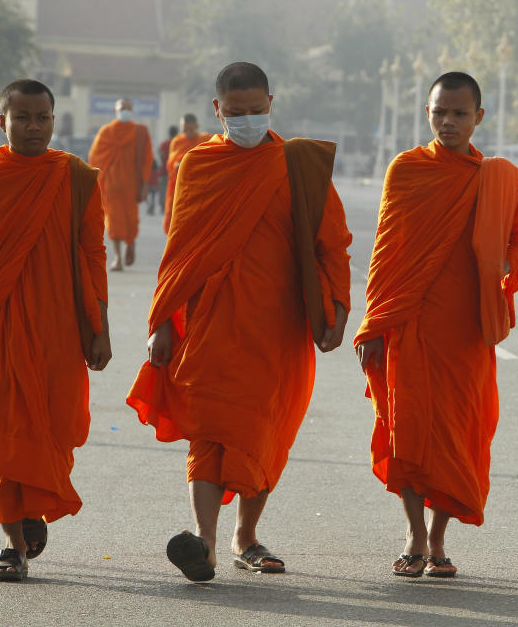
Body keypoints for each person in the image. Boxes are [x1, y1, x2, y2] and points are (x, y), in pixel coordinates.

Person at [126, 62, 352, 582]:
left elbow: (331, 243)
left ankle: (245, 536)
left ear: (271, 102)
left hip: (280, 324)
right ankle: (203, 541)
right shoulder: (199, 165)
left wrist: (335, 308)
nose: (246, 119)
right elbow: (180, 249)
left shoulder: (300, 165)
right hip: (212, 321)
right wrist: (162, 321)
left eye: (255, 110)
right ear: (217, 110)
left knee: (265, 429)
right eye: (236, 112)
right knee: (208, 428)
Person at [355, 72, 518, 579]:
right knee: (408, 426)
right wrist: (373, 324)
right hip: (410, 321)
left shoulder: (498, 178)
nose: (448, 122)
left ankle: (439, 537)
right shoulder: (407, 170)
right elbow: (385, 251)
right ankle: (413, 533)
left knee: (458, 432)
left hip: (466, 329)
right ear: (427, 114)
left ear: (479, 116)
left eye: (458, 113)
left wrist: (501, 264)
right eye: (439, 113)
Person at [0, 78, 112, 582]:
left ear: (54, 122)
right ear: (3, 122)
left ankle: (30, 506)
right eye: (22, 118)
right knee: (0, 428)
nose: (33, 126)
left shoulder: (76, 177)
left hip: (59, 327)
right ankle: (11, 545)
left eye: (42, 118)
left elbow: (92, 254)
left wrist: (99, 325)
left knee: (50, 426)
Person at [88, 98, 154, 270]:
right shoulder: (106, 132)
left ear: (132, 111)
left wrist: (145, 183)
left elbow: (147, 159)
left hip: (132, 185)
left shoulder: (140, 132)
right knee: (114, 220)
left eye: (127, 108)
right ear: (115, 111)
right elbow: (95, 157)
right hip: (111, 185)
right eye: (121, 108)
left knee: (131, 220)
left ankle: (131, 243)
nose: (124, 110)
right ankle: (117, 257)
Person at [163, 114, 213, 233]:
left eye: (191, 129)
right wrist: (176, 165)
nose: (188, 132)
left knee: (196, 223)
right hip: (178, 186)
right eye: (185, 130)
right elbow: (170, 163)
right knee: (173, 221)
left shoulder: (206, 139)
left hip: (199, 188)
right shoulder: (176, 141)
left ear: (197, 126)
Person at [153, 125, 179, 216]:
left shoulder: (164, 144)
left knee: (163, 190)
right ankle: (173, 208)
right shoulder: (179, 143)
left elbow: (161, 155)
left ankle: (163, 207)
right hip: (176, 172)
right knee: (175, 191)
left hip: (164, 171)